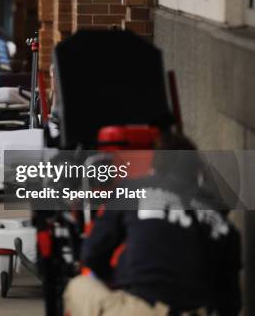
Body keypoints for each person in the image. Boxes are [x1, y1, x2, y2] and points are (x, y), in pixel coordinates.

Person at [63, 134, 242, 316]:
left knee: (77, 287)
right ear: (197, 173)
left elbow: (92, 255)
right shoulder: (225, 227)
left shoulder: (133, 188)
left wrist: (120, 280)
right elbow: (231, 303)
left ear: (156, 165)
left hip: (142, 308)